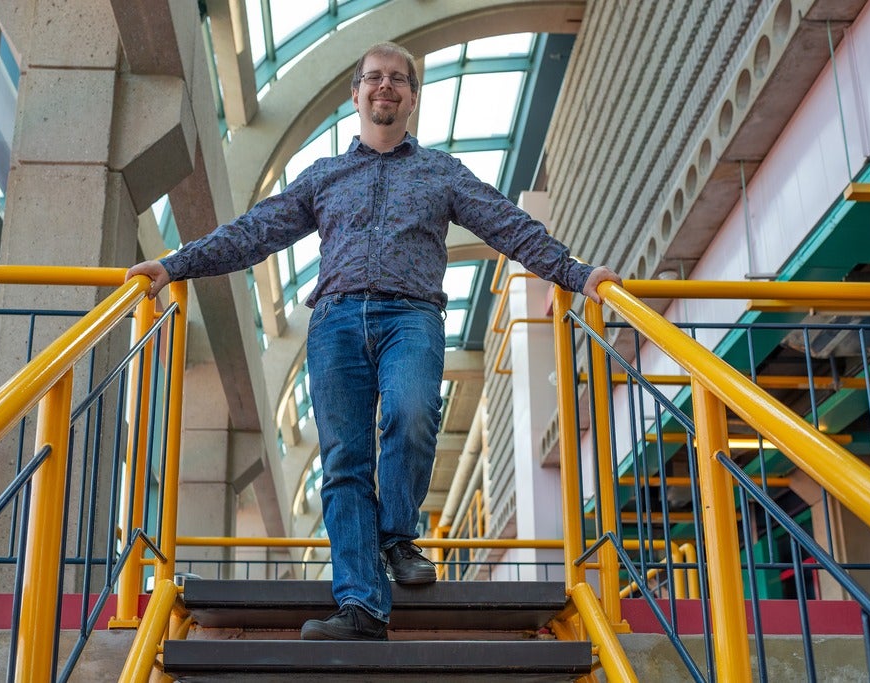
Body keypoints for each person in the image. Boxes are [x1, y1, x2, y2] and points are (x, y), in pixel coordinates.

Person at [126, 41, 621, 641]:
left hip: (412, 317)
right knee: (343, 463)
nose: (384, 87)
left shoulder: (440, 172)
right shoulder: (325, 175)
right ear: (355, 94)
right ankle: (361, 605)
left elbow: (506, 223)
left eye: (398, 80)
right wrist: (177, 265)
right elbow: (256, 232)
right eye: (373, 78)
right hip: (334, 322)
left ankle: (395, 534)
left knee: (412, 415)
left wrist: (578, 274)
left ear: (412, 97)